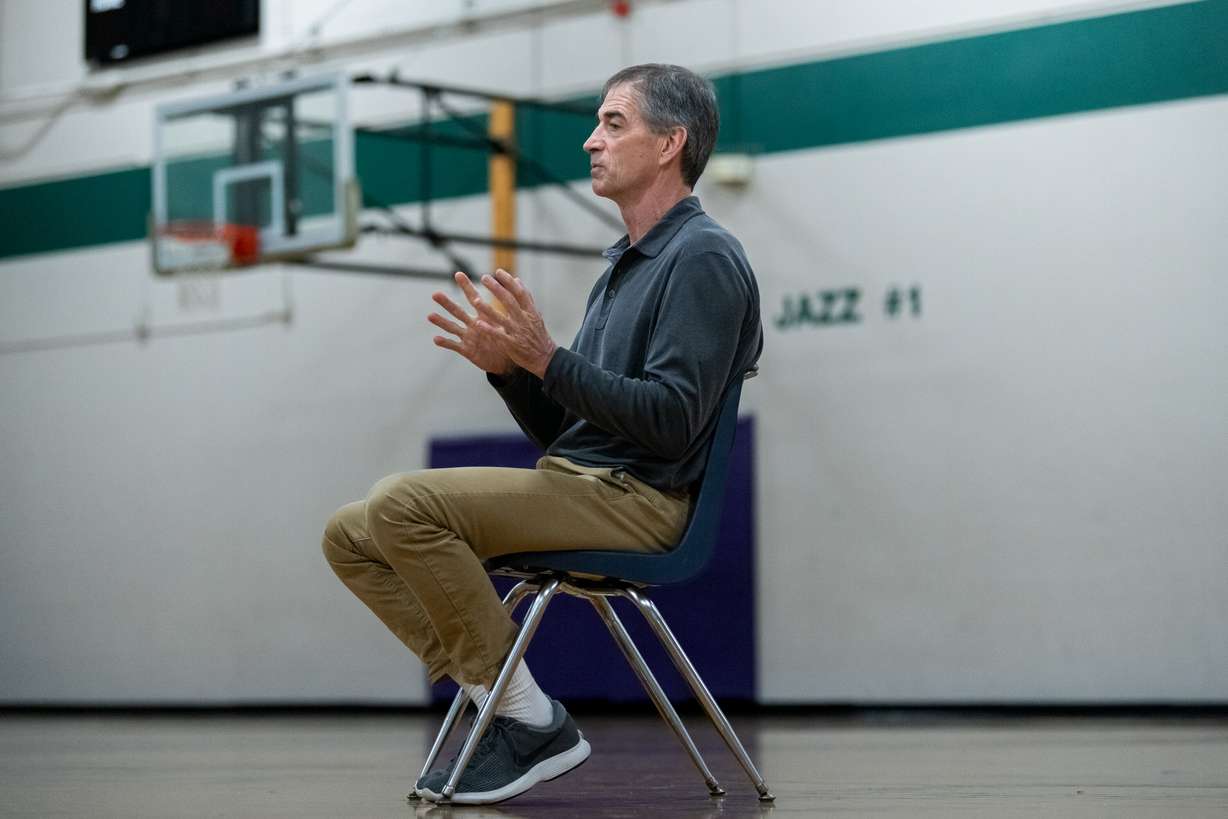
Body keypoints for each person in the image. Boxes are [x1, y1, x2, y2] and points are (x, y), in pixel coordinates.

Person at [322, 62, 762, 805]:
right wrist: (513, 372)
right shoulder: (621, 267)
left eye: (613, 123)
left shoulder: (703, 257)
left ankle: (527, 718)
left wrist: (546, 357)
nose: (591, 140)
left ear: (670, 143)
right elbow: (572, 428)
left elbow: (670, 419)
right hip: (584, 481)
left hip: (642, 500)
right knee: (348, 533)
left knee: (402, 503)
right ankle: (504, 700)